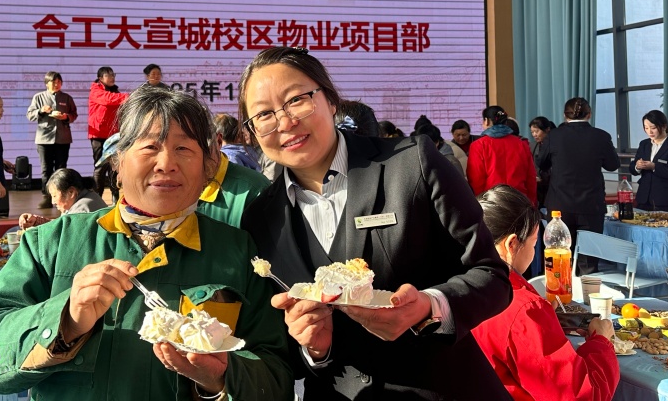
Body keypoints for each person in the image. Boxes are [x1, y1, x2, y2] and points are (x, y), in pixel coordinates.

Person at [0, 86, 293, 401]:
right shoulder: (52, 242)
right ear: (118, 164)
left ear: (208, 169)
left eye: (183, 149)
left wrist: (221, 376)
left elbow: (277, 375)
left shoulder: (239, 253)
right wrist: (66, 320)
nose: (166, 163)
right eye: (149, 147)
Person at [238, 46, 512, 400]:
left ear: (331, 100)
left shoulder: (411, 164)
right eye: (263, 115)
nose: (285, 122)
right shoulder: (261, 218)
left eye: (297, 100)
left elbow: (491, 275)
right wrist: (314, 349)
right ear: (252, 131)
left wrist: (430, 307)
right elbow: (277, 341)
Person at [472, 185, 619, 401]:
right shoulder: (521, 308)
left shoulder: (457, 287)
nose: (534, 252)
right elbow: (582, 395)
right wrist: (601, 342)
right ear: (512, 244)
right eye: (534, 244)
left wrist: (545, 321)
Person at [538, 97, 619, 275]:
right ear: (589, 114)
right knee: (589, 260)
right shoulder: (601, 136)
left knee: (559, 257)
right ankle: (587, 291)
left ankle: (560, 291)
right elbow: (613, 165)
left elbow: (541, 163)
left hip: (559, 206)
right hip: (591, 205)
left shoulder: (554, 135)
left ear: (564, 115)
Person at [27, 71, 78, 209]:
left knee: (61, 169)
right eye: (54, 82)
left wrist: (66, 117)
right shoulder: (39, 97)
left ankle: (62, 197)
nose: (57, 84)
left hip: (63, 138)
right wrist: (41, 110)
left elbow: (74, 114)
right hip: (44, 139)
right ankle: (47, 197)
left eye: (59, 82)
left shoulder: (66, 98)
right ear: (47, 83)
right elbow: (30, 115)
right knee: (46, 169)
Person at [467, 106, 537, 204]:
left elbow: (476, 180)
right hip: (519, 199)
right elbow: (530, 177)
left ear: (486, 121)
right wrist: (532, 203)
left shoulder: (478, 145)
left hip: (492, 201)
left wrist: (480, 203)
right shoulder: (521, 144)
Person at [88, 67, 129, 202]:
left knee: (114, 167)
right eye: (108, 75)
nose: (112, 77)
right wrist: (128, 96)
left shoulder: (116, 92)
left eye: (113, 75)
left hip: (114, 135)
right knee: (100, 167)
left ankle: (115, 196)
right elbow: (108, 99)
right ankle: (97, 197)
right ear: (100, 78)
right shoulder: (96, 90)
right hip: (99, 134)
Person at [19, 168, 107, 229]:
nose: (53, 202)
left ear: (71, 192)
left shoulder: (81, 211)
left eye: (54, 196)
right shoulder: (88, 196)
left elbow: (63, 235)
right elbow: (61, 226)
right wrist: (35, 221)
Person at [630, 109, 668, 211]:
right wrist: (637, 166)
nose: (649, 132)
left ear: (664, 126)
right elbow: (632, 168)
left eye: (653, 128)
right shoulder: (644, 144)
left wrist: (654, 167)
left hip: (665, 200)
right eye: (646, 128)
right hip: (643, 199)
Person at [529, 116, 555, 207]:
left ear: (547, 129)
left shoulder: (555, 145)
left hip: (552, 187)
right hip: (538, 188)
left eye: (537, 131)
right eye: (532, 132)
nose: (534, 135)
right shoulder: (532, 146)